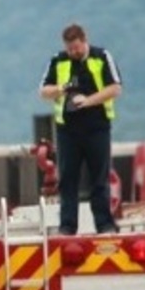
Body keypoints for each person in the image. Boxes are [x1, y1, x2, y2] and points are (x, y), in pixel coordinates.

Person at [39, 22, 123, 236]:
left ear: (85, 41)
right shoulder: (58, 61)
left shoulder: (101, 57)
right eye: (70, 49)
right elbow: (43, 91)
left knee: (99, 179)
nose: (74, 52)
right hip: (68, 131)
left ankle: (104, 224)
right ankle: (67, 226)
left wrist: (88, 101)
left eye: (77, 47)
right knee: (67, 179)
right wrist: (61, 89)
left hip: (97, 127)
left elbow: (115, 88)